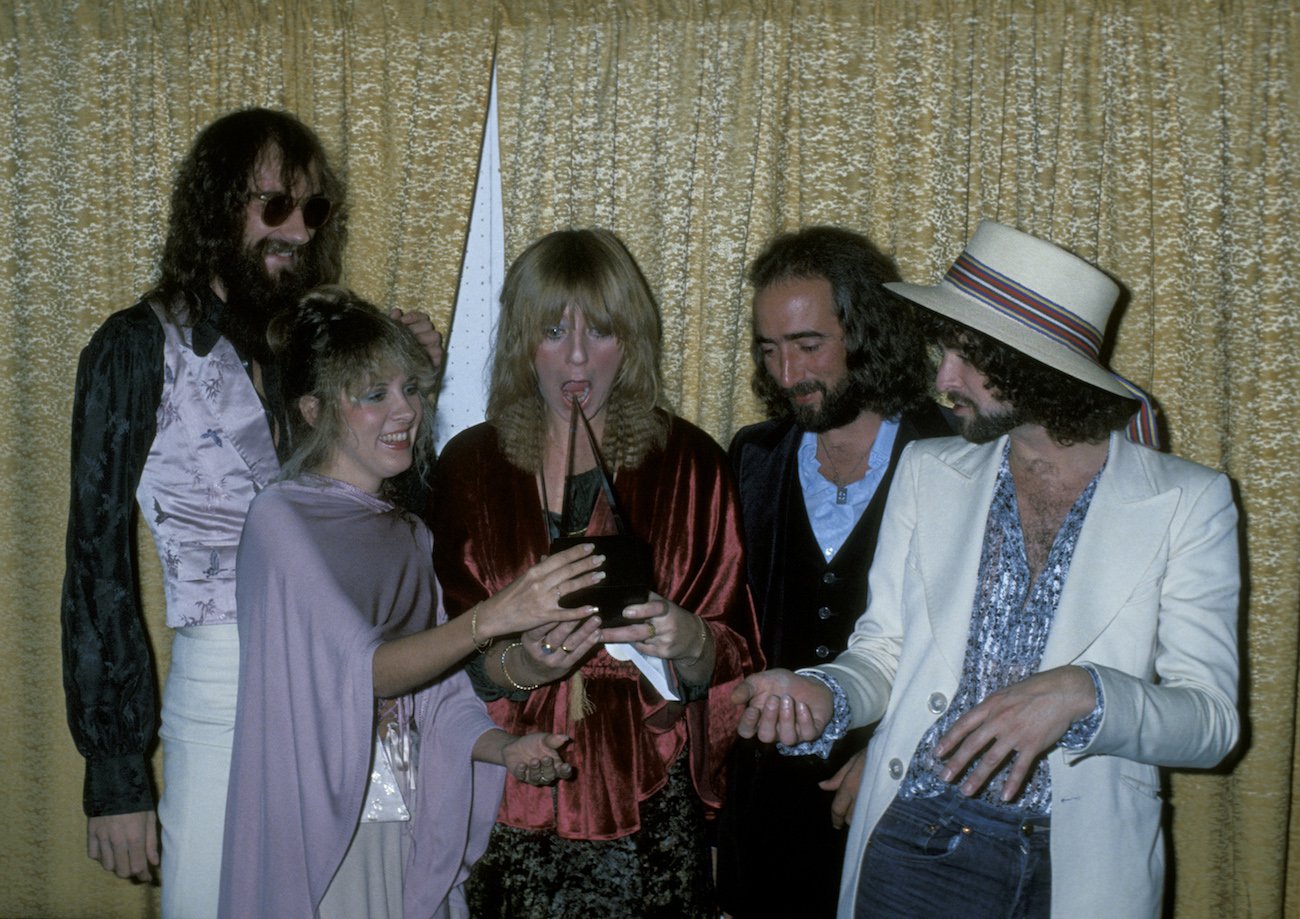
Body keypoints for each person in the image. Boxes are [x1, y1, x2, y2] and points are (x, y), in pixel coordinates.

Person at [733, 219, 1240, 918]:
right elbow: (881, 651)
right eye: (943, 351)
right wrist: (826, 694)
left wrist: (1085, 693)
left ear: (1038, 360)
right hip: (916, 844)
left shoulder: (1188, 500)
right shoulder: (930, 469)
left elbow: (1211, 722)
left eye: (967, 356)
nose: (942, 379)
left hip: (1083, 866)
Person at [59, 108, 442, 917]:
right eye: (274, 206)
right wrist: (117, 770)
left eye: (314, 211)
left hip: (350, 688)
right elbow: (97, 560)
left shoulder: (321, 349)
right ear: (216, 206)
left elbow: (400, 527)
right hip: (224, 689)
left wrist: (411, 395)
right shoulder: (134, 347)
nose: (298, 230)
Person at [219, 287, 599, 919]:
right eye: (374, 395)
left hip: (411, 814)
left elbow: (438, 696)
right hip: (331, 832)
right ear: (313, 409)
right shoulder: (279, 519)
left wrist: (504, 749)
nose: (405, 411)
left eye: (412, 389)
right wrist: (498, 615)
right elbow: (365, 670)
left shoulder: (409, 532)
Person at [430, 228, 763, 918]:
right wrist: (521, 662)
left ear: (633, 339)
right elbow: (441, 659)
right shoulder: (470, 466)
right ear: (523, 340)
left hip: (646, 803)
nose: (577, 356)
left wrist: (690, 641)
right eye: (553, 330)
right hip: (508, 785)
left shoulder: (690, 463)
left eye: (602, 330)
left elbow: (735, 662)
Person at [715, 226, 952, 918]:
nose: (787, 375)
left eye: (808, 345)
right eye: (769, 350)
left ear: (866, 333)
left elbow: (982, 655)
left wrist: (893, 753)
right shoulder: (750, 457)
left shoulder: (953, 458)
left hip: (904, 810)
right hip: (764, 818)